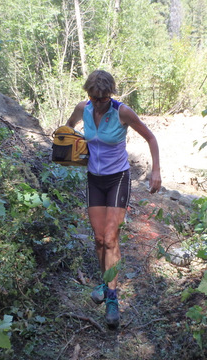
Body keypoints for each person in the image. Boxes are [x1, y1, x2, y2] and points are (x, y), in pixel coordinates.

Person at [65, 70, 161, 328]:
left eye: (103, 98)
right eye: (94, 98)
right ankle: (105, 279)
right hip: (94, 179)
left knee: (110, 238)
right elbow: (68, 128)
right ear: (88, 95)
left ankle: (112, 298)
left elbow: (151, 137)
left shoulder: (122, 112)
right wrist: (67, 148)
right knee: (98, 239)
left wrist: (156, 171)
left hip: (117, 179)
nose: (98, 103)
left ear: (110, 95)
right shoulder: (83, 108)